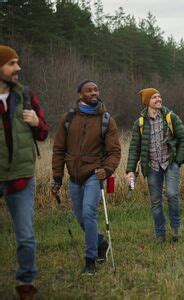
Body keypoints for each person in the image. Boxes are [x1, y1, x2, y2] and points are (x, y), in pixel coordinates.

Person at [51, 79, 121, 275]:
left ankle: (90, 260)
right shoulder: (68, 118)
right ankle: (100, 243)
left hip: (94, 174)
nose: (94, 93)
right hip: (74, 176)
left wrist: (106, 170)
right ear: (80, 95)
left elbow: (115, 151)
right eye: (89, 90)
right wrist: (57, 178)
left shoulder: (106, 119)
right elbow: (58, 150)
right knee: (81, 218)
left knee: (89, 212)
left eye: (96, 90)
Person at [0, 45, 49, 299]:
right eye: (11, 64)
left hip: (21, 177)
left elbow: (43, 133)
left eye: (18, 63)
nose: (17, 68)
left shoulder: (26, 95)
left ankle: (25, 284)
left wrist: (36, 123)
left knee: (26, 236)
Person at [125, 88, 184, 243]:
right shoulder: (139, 123)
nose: (159, 99)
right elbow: (134, 148)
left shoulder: (170, 117)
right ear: (147, 102)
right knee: (155, 202)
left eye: (159, 96)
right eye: (154, 97)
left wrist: (178, 160)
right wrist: (130, 171)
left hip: (170, 163)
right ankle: (160, 234)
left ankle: (176, 228)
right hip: (152, 167)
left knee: (172, 195)